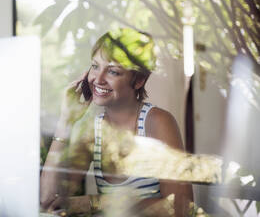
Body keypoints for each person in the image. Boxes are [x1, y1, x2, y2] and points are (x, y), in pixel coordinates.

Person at [40, 28, 193, 216]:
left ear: (138, 80)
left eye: (112, 71)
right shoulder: (93, 131)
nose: (98, 79)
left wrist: (95, 202)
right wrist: (65, 122)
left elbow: (181, 207)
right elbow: (48, 200)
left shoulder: (157, 122)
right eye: (95, 66)